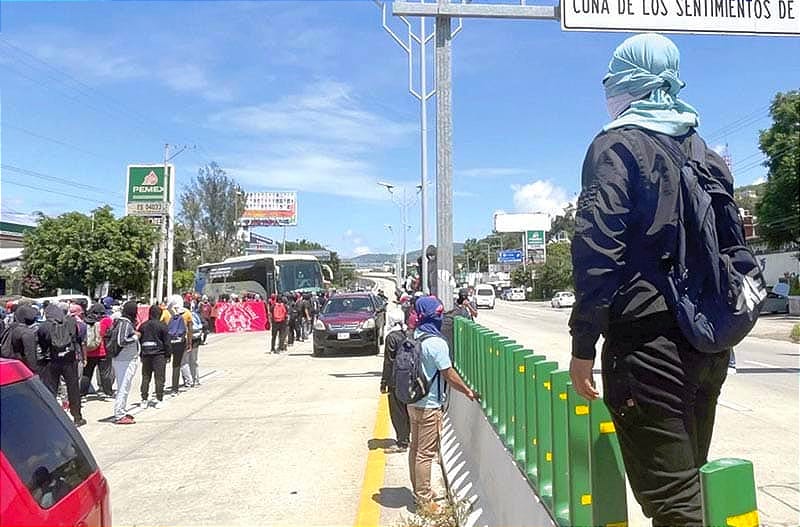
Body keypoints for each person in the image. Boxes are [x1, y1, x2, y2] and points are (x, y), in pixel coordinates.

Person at [568, 34, 737, 526]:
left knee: (674, 505)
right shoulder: (704, 151)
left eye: (613, 79)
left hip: (648, 346)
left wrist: (583, 346)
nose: (609, 90)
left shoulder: (616, 146)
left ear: (631, 81)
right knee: (690, 482)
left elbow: (597, 252)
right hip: (708, 343)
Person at [408, 296, 476, 508]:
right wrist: (467, 391)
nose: (440, 317)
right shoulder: (436, 343)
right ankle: (424, 499)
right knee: (425, 453)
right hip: (429, 405)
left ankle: (418, 490)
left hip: (412, 401)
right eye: (438, 314)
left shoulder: (414, 335)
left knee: (415, 448)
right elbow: (449, 374)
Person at [38, 304, 86, 427]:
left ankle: (51, 417)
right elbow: (76, 338)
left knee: (51, 390)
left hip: (52, 361)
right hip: (69, 359)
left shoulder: (44, 326)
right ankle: (77, 417)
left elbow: (42, 344)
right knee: (73, 388)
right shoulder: (71, 322)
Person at [380, 311, 410, 453]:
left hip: (395, 380)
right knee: (407, 410)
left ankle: (402, 442)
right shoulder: (407, 334)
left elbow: (388, 362)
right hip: (408, 377)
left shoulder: (391, 337)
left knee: (397, 412)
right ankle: (408, 438)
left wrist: (384, 382)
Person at [111, 301, 140, 424]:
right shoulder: (125, 323)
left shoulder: (124, 322)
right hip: (124, 360)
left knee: (125, 386)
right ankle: (119, 414)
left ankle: (121, 410)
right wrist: (135, 337)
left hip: (125, 359)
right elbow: (121, 341)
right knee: (123, 386)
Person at [138, 304, 170, 408]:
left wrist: (141, 354)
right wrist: (168, 355)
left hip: (146, 354)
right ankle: (159, 399)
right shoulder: (162, 326)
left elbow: (139, 341)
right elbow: (167, 342)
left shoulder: (143, 326)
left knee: (146, 377)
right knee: (159, 377)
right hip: (159, 355)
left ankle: (144, 399)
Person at [81, 303, 115, 398]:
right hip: (103, 352)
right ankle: (108, 392)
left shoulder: (86, 320)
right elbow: (110, 333)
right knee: (105, 373)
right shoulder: (107, 320)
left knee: (86, 373)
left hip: (88, 352)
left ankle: (82, 392)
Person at [161, 295, 192, 394]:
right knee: (177, 365)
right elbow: (190, 329)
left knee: (163, 364)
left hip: (167, 342)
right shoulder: (186, 313)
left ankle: (161, 386)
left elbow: (161, 326)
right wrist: (189, 342)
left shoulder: (165, 312)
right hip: (180, 342)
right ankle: (175, 388)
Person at [2, 303, 40, 373]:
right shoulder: (27, 333)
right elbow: (30, 355)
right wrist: (34, 371)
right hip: (22, 367)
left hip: (10, 363)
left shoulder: (11, 327)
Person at [181, 301, 201, 387]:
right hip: (196, 339)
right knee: (194, 361)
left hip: (186, 340)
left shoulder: (183, 315)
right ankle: (196, 380)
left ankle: (188, 381)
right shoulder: (195, 314)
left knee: (184, 362)